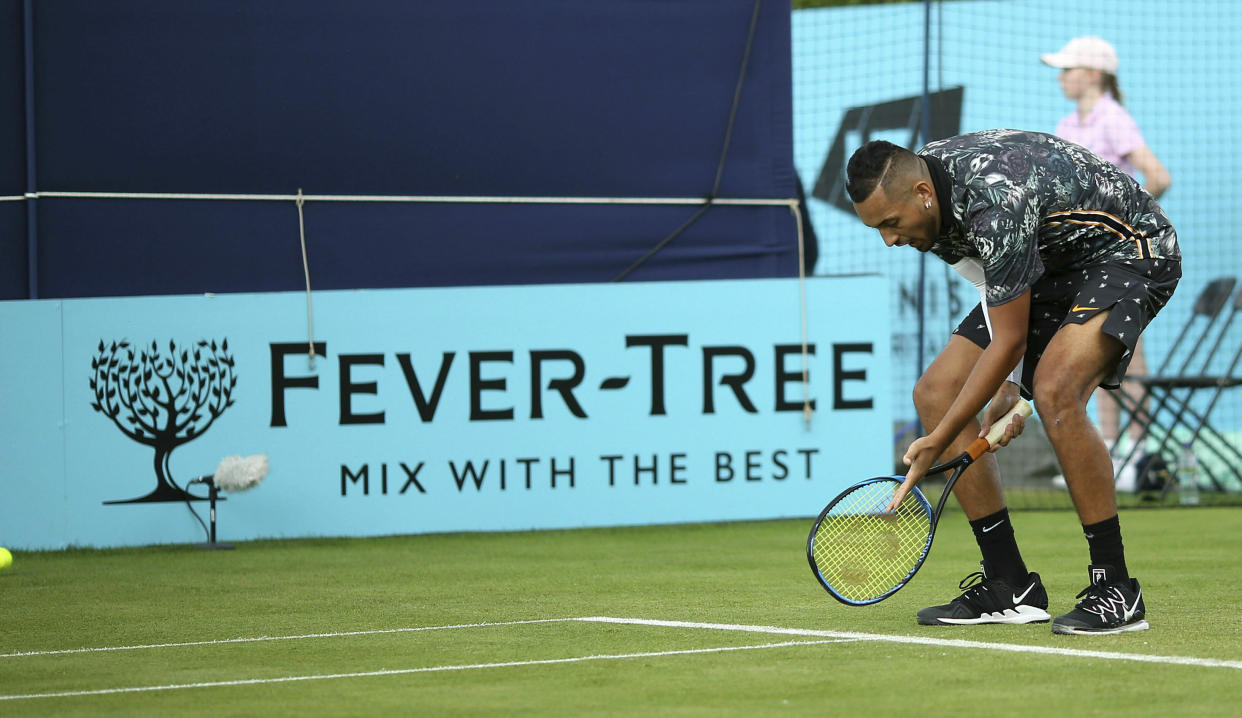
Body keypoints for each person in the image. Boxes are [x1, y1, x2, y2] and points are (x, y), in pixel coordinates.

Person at [845, 130, 1180, 634]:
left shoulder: (993, 198)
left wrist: (939, 440)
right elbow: (993, 288)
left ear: (921, 195)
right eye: (877, 229)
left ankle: (1116, 587)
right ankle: (1009, 584)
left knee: (1056, 391)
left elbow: (1009, 344)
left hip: (1129, 248)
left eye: (890, 224)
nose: (889, 240)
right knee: (935, 393)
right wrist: (1005, 388)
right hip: (1047, 265)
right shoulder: (932, 207)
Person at [1041, 36, 1172, 469]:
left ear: (1093, 75)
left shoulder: (1113, 118)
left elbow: (1158, 176)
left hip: (1122, 256)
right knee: (1097, 347)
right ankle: (1111, 451)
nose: (1061, 78)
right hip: (1083, 260)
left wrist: (1122, 221)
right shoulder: (1066, 125)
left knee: (1130, 353)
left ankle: (1140, 451)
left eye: (1068, 70)